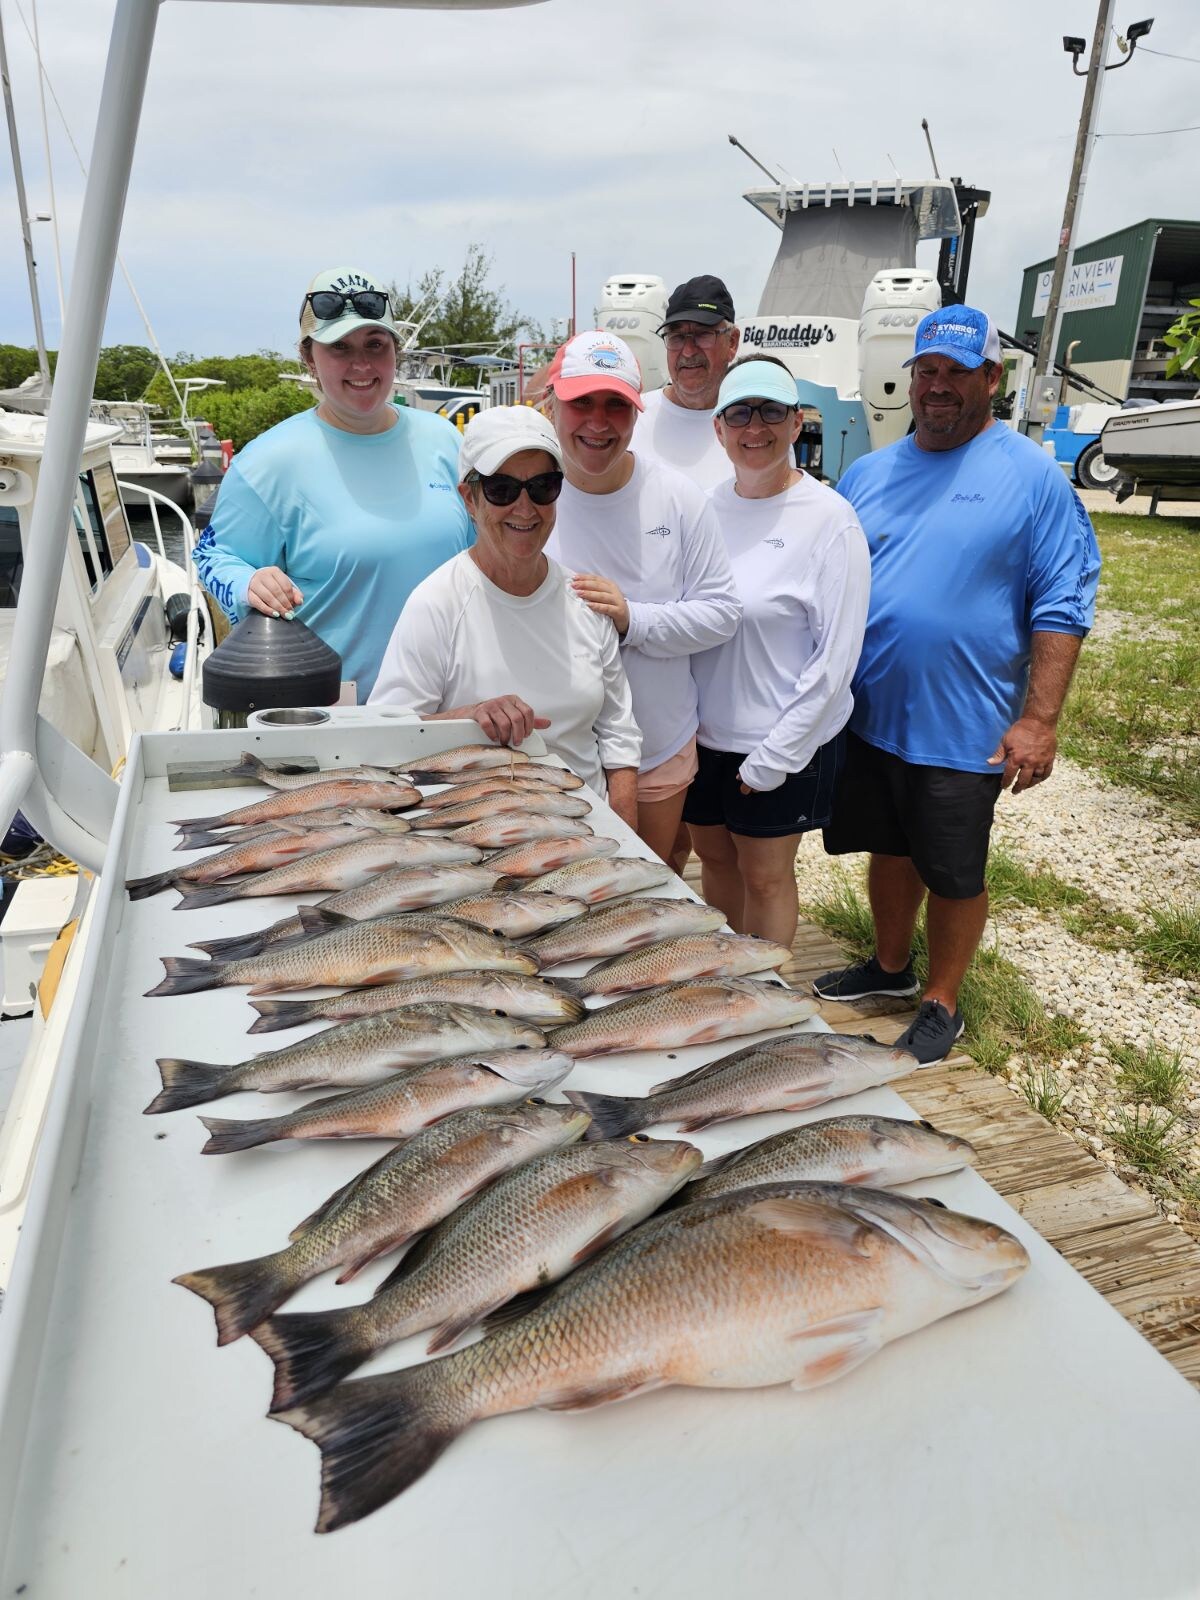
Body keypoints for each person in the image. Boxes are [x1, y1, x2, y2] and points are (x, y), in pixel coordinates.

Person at [815, 305, 1101, 1064]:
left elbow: (1064, 603)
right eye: (927, 372)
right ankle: (889, 968)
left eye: (956, 372)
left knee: (952, 867)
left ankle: (942, 998)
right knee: (890, 846)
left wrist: (1038, 719)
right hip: (870, 715)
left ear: (991, 378)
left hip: (965, 725)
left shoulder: (1032, 478)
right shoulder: (868, 473)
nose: (939, 387)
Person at [194, 265, 471, 701]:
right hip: (342, 719)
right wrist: (248, 582)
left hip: (452, 712)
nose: (361, 364)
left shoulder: (445, 440)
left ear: (396, 351)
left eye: (375, 345)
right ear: (308, 357)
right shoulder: (268, 462)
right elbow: (211, 555)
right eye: (339, 347)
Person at [368, 406, 641, 827]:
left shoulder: (586, 600)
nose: (525, 508)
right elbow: (383, 740)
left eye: (543, 486)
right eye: (502, 489)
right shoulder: (436, 603)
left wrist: (625, 836)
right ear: (469, 498)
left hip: (589, 835)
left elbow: (619, 737)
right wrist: (467, 715)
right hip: (479, 842)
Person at [683, 356, 870, 946]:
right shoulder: (703, 509)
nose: (754, 427)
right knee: (715, 861)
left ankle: (771, 1010)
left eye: (771, 411)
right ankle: (735, 985)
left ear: (796, 424)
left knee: (765, 877)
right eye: (739, 412)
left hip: (781, 740)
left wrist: (775, 758)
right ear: (718, 428)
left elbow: (835, 663)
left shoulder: (830, 520)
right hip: (702, 737)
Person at [542, 330, 741, 863]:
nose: (598, 422)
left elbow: (722, 614)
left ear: (638, 413)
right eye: (581, 402)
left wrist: (633, 619)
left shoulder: (678, 498)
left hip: (658, 743)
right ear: (551, 405)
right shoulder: (526, 494)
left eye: (616, 406)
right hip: (549, 753)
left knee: (654, 886)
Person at [636, 273, 741, 490]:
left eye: (703, 334)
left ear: (732, 342)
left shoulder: (759, 429)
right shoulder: (633, 419)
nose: (688, 350)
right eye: (676, 337)